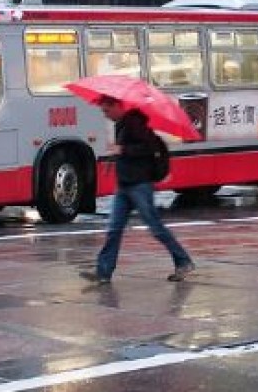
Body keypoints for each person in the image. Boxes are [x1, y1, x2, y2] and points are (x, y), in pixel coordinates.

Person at [81, 96, 195, 284]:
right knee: (114, 229)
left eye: (107, 110)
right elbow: (126, 150)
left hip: (139, 185)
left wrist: (122, 150)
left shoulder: (135, 122)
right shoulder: (121, 124)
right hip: (125, 185)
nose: (106, 115)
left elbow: (147, 148)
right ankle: (103, 272)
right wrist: (115, 158)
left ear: (117, 106)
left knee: (155, 227)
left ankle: (183, 260)